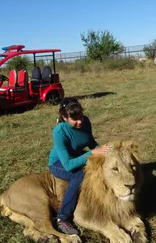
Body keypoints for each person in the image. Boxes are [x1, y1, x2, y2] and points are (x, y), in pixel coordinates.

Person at [48, 98, 110, 235]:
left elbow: (91, 141)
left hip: (78, 155)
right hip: (59, 163)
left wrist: (104, 153)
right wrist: (92, 153)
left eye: (81, 116)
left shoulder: (86, 121)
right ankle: (62, 217)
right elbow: (69, 165)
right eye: (74, 119)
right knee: (80, 174)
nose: (80, 121)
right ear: (64, 117)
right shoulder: (59, 132)